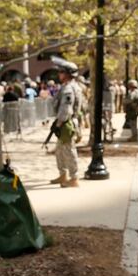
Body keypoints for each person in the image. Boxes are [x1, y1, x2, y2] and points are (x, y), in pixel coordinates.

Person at [49, 58, 83, 188]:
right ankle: (63, 174)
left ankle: (74, 178)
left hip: (66, 122)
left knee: (68, 150)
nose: (59, 74)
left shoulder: (69, 89)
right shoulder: (68, 86)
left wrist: (59, 123)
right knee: (60, 150)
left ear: (68, 74)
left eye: (62, 72)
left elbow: (66, 108)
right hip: (65, 122)